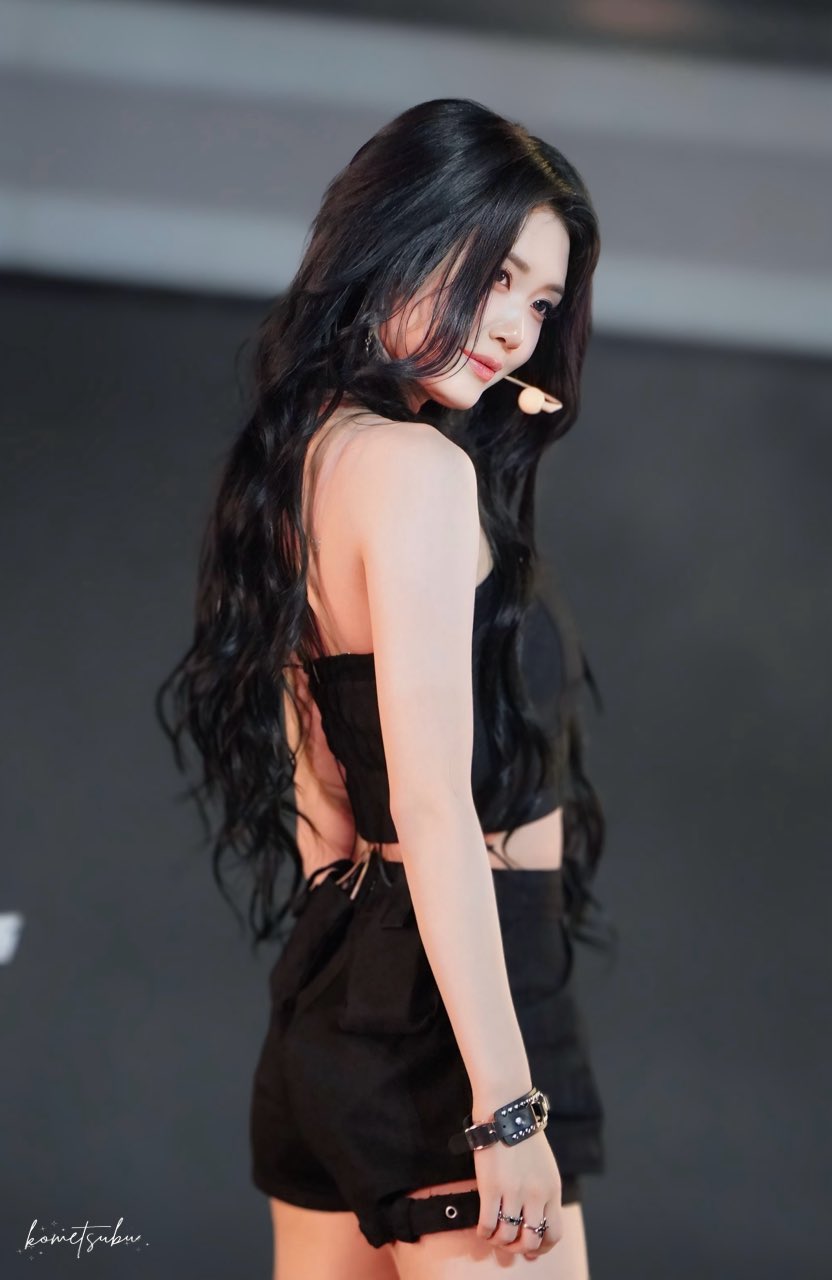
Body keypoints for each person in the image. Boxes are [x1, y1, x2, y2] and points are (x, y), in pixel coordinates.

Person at [156, 97, 615, 1278]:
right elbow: (428, 801)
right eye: (496, 275)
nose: (514, 328)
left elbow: (320, 790)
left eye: (543, 302)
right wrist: (505, 1109)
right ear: (400, 236)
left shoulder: (304, 458)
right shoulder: (415, 472)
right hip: (457, 1026)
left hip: (347, 998)